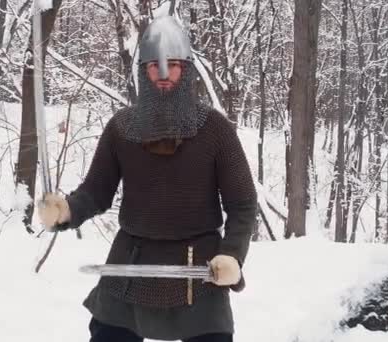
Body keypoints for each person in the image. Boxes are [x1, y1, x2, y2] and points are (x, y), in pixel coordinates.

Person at [37, 15, 257, 342]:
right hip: (131, 260)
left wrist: (232, 255)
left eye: (173, 66)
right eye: (155, 66)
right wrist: (66, 211)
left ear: (187, 69)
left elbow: (242, 205)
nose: (164, 75)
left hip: (199, 265)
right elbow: (96, 193)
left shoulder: (215, 130)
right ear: (143, 69)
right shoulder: (122, 128)